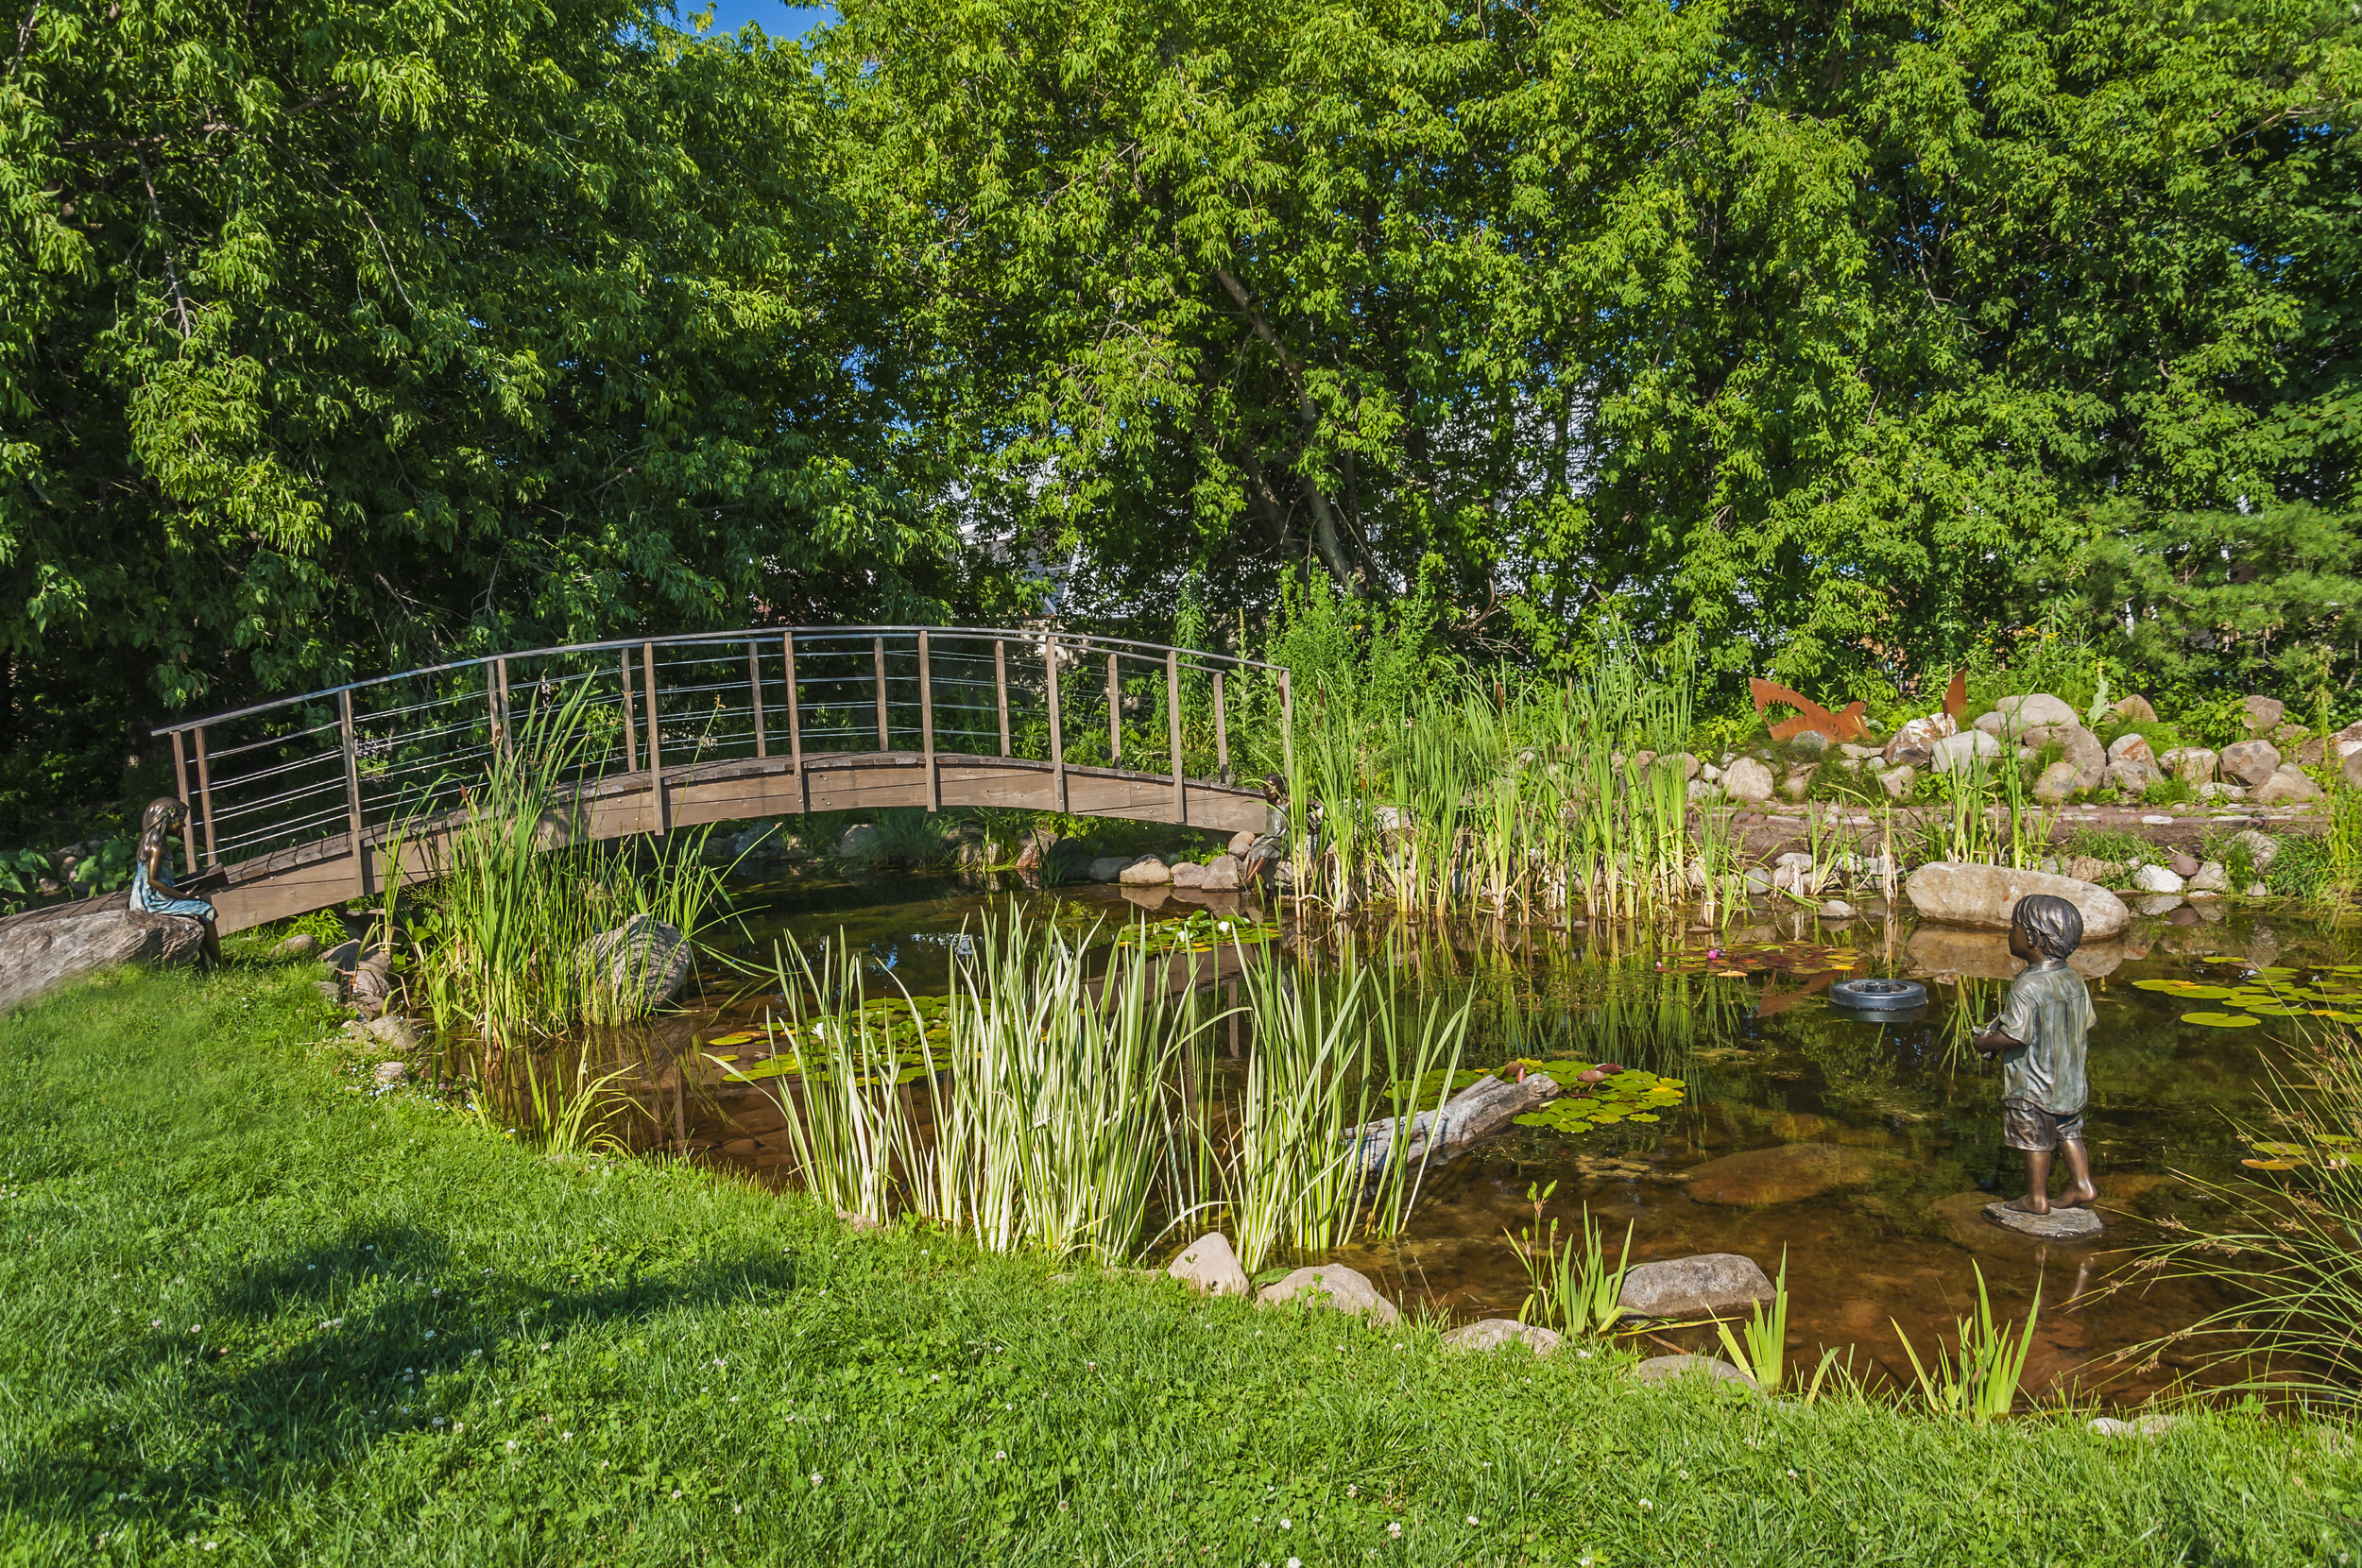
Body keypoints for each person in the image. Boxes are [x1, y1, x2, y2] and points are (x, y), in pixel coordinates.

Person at [1973, 893, 2097, 1214]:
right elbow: (2087, 1023)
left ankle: (2036, 1199)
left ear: (2031, 937)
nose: (2008, 932)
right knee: (2069, 1131)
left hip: (2034, 1086)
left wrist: (1984, 1042)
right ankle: (2083, 1185)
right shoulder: (2072, 978)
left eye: (2013, 926)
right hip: (2070, 1083)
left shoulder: (2027, 985)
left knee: (2035, 1139)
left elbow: (2014, 1034)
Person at [131, 797, 221, 969]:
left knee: (200, 908)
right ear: (166, 821)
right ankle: (218, 965)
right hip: (152, 900)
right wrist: (183, 895)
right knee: (206, 911)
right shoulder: (156, 848)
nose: (184, 826)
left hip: (157, 895)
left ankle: (208, 962)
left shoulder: (155, 844)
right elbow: (153, 881)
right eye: (180, 821)